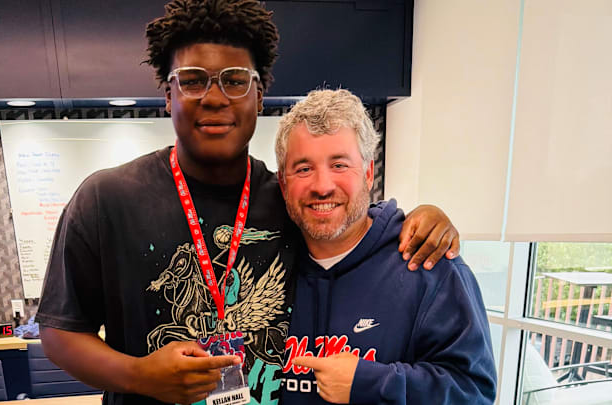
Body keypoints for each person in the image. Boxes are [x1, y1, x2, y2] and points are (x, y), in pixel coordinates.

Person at [36, 2, 460, 404]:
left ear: (259, 96)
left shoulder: (290, 201)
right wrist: (139, 375)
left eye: (235, 80)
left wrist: (425, 219)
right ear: (168, 95)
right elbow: (59, 332)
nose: (214, 97)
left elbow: (353, 221)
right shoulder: (106, 199)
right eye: (193, 80)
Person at [275, 89, 496, 404]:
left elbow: (473, 393)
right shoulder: (265, 263)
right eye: (303, 169)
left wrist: (369, 383)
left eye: (339, 165)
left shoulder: (429, 265)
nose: (322, 186)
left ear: (368, 174)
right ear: (283, 184)